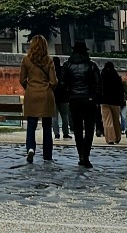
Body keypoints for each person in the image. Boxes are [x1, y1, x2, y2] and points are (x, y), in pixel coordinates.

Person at [59, 40, 102, 167]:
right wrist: (95, 98)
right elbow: (99, 84)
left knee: (77, 129)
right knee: (89, 130)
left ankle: (81, 155)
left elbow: (61, 83)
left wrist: (68, 95)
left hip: (74, 99)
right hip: (88, 99)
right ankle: (86, 155)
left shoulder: (67, 65)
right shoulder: (91, 65)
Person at [18, 35, 57, 163]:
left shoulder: (26, 60)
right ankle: (47, 154)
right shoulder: (49, 60)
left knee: (31, 125)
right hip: (46, 95)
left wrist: (29, 87)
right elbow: (53, 81)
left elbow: (22, 79)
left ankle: (30, 148)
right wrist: (48, 87)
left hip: (32, 95)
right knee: (47, 126)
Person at [99, 61, 127, 145]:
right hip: (115, 102)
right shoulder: (117, 77)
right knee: (116, 120)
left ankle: (110, 139)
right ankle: (117, 137)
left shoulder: (102, 77)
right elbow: (121, 90)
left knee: (107, 120)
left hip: (104, 101)